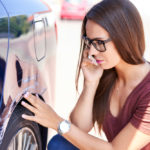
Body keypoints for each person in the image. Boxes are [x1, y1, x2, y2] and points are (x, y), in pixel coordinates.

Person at [21, 0, 150, 149]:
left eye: (99, 42)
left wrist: (56, 121)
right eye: (89, 42)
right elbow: (78, 127)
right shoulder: (108, 73)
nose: (92, 52)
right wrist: (91, 83)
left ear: (125, 37)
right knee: (60, 143)